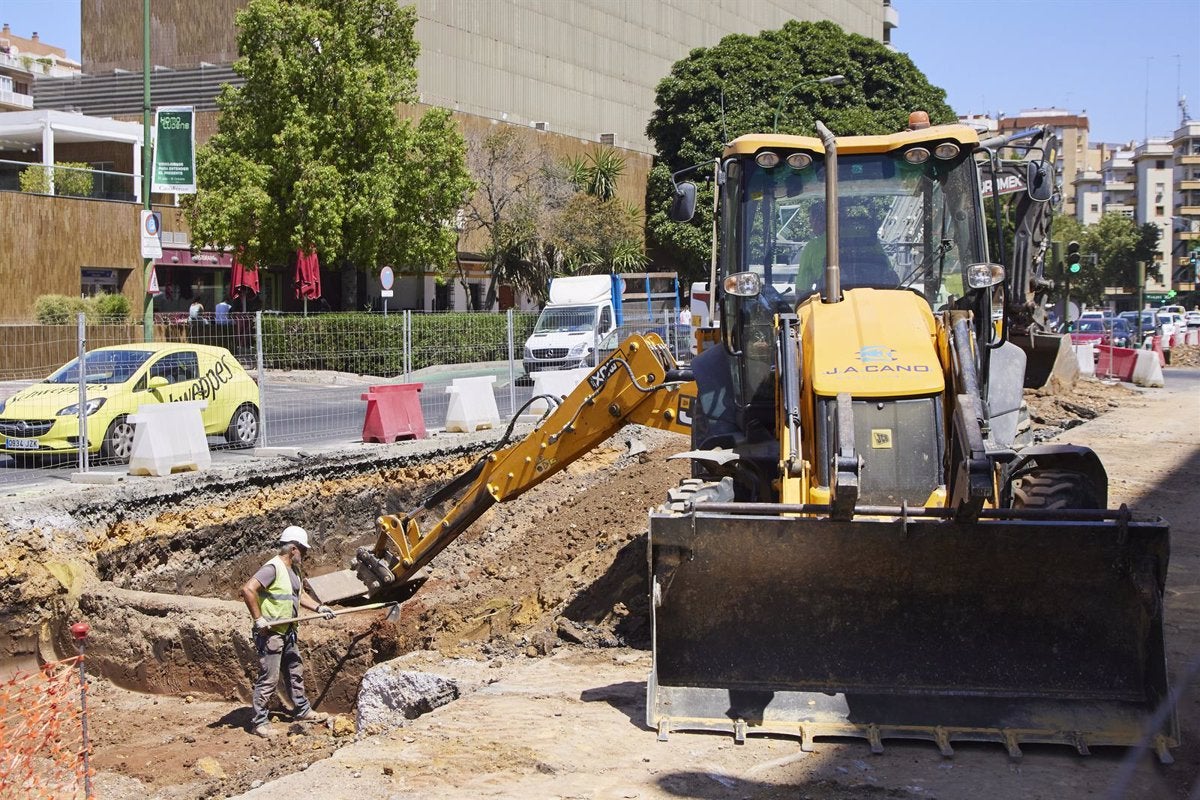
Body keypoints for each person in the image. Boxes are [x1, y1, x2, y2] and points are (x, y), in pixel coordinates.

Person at [240, 525, 335, 738]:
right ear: (293, 548)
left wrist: (320, 608)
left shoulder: (294, 570)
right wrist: (259, 619)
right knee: (270, 678)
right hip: (271, 633)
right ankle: (259, 722)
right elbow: (248, 589)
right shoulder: (272, 568)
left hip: (289, 631)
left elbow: (299, 596)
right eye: (304, 549)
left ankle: (302, 711)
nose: (306, 554)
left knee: (295, 671)